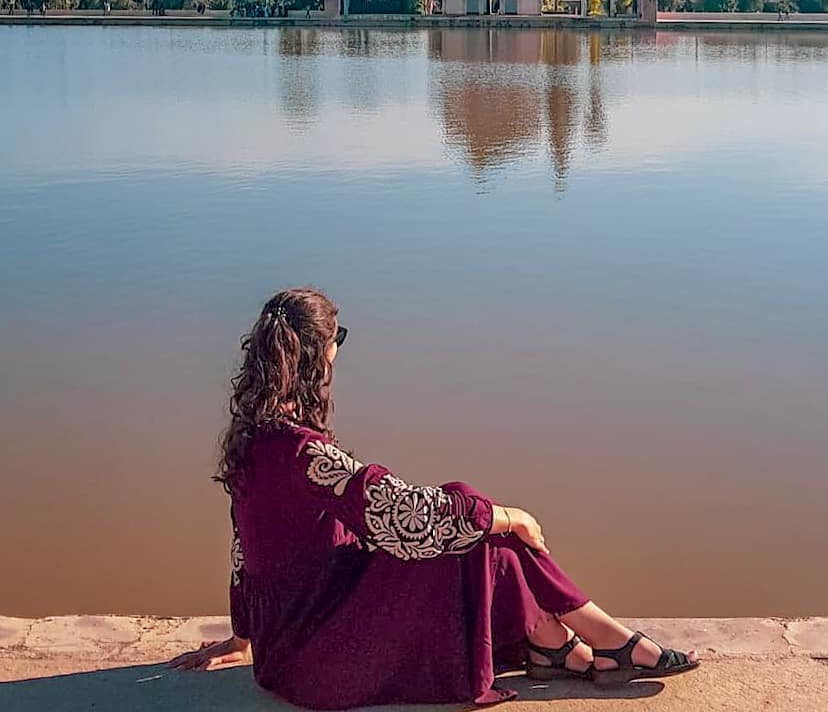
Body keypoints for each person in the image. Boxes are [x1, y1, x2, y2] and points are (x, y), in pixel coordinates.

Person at [168, 289, 698, 708]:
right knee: (474, 518)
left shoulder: (253, 439)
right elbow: (404, 512)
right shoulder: (305, 454)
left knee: (479, 533)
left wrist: (245, 636)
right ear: (318, 354)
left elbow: (247, 547)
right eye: (338, 339)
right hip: (319, 659)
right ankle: (602, 641)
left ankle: (560, 643)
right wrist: (511, 516)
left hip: (289, 645)